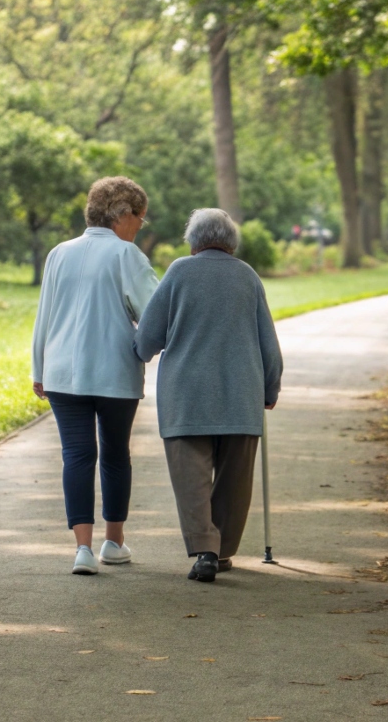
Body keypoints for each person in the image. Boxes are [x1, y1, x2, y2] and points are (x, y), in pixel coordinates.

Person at [134, 208, 283, 583]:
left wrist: (141, 350)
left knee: (191, 477)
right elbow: (270, 345)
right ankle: (222, 551)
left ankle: (206, 548)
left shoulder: (180, 272)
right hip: (241, 393)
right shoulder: (248, 277)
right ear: (231, 242)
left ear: (193, 240)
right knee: (235, 479)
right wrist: (270, 387)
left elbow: (148, 338)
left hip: (186, 395)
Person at [32, 177, 159, 575]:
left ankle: (82, 550)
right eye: (140, 217)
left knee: (77, 455)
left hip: (61, 373)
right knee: (116, 454)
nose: (141, 225)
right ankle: (113, 542)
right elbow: (154, 313)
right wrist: (148, 345)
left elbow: (44, 317)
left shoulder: (58, 253)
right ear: (123, 215)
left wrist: (38, 369)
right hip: (113, 371)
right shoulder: (127, 255)